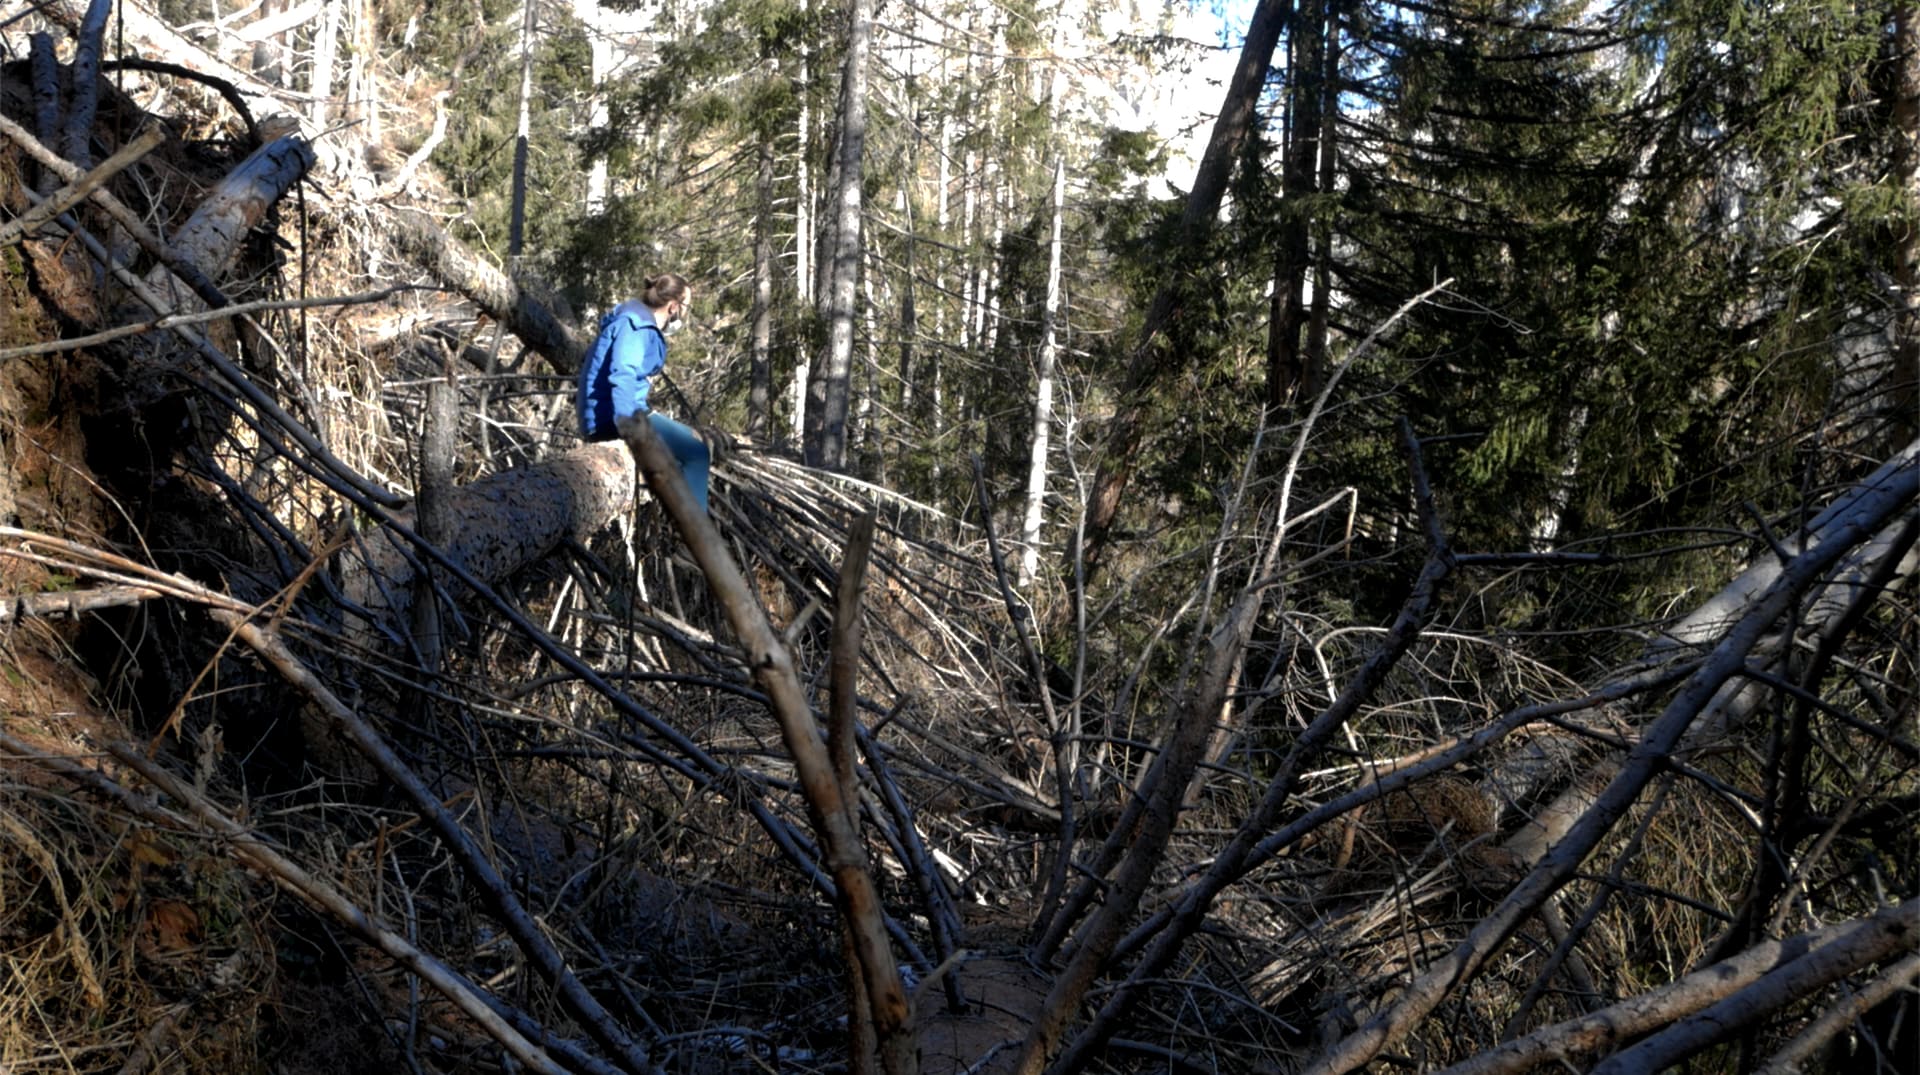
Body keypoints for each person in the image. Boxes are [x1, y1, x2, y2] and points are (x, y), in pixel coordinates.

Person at [576, 273, 714, 513]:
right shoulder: (636, 327)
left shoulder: (636, 321)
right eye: (686, 306)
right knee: (697, 454)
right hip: (609, 421)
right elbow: (622, 374)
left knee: (689, 442)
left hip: (616, 415)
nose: (685, 313)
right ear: (673, 307)